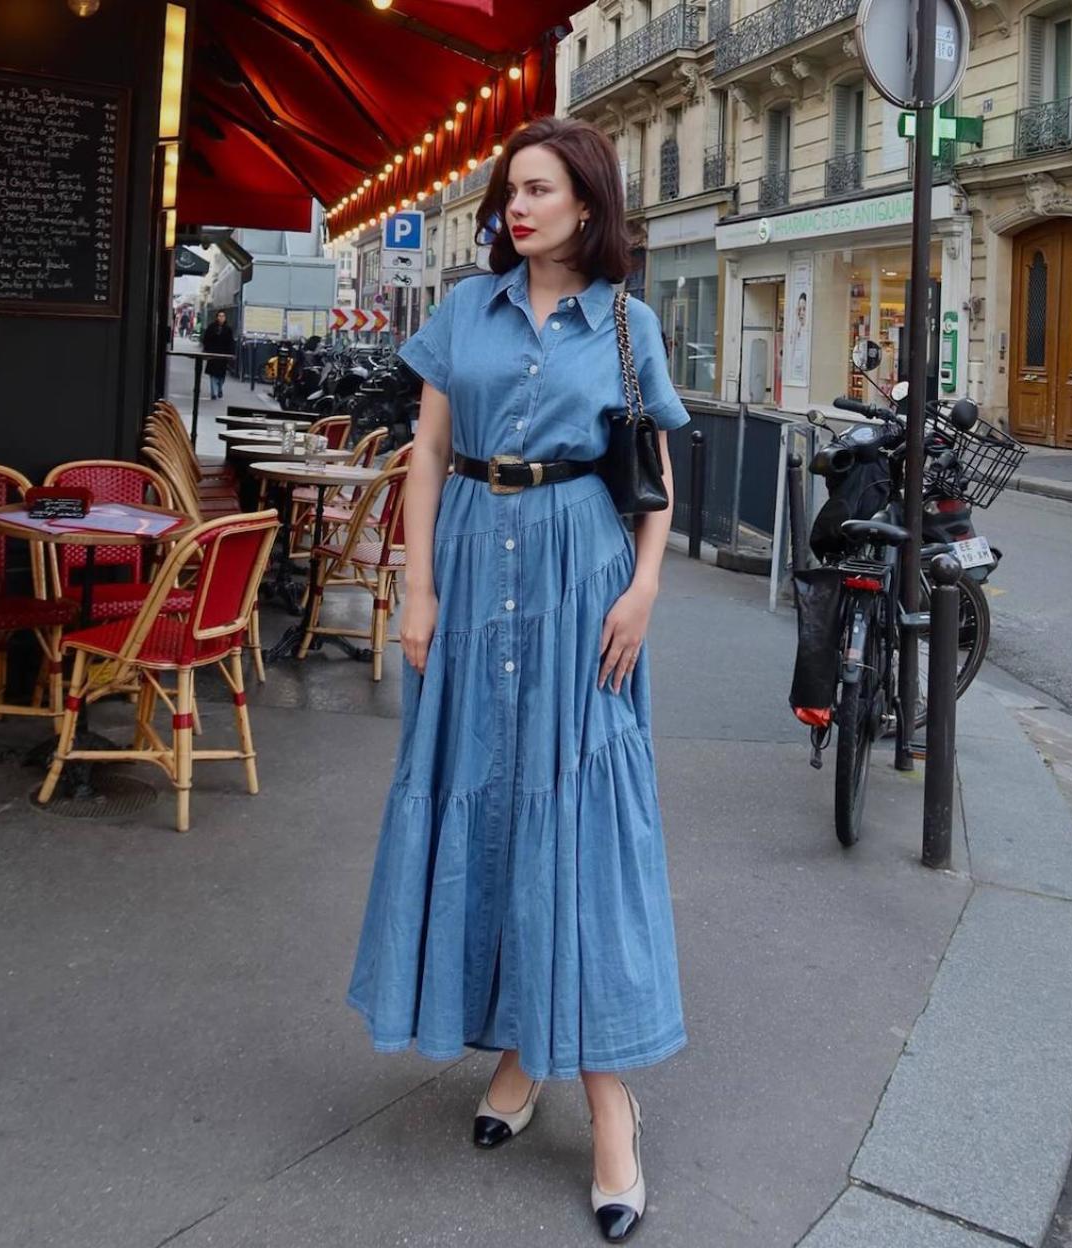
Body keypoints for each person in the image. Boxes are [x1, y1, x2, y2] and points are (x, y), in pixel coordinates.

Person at [345, 116, 689, 1243]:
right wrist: (416, 589)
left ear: (587, 204)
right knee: (486, 814)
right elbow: (430, 453)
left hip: (581, 580)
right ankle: (514, 1056)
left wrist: (642, 590)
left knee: (576, 830)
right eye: (507, 193)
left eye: (535, 190)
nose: (513, 209)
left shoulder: (629, 327)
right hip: (474, 571)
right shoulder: (463, 311)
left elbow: (653, 480)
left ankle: (608, 1111)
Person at [202, 310, 234, 399]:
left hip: (223, 355)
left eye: (223, 316)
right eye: (219, 316)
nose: (221, 318)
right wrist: (207, 350)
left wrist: (231, 353)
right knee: (213, 374)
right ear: (216, 317)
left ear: (225, 318)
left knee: (221, 376)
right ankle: (214, 393)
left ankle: (219, 388)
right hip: (213, 353)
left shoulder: (228, 329)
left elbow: (230, 342)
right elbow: (206, 339)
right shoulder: (211, 327)